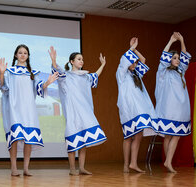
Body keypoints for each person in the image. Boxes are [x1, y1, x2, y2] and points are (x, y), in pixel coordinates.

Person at [0, 44, 58, 176]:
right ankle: (13, 167)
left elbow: (39, 88)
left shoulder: (33, 74)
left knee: (28, 139)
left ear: (28, 56)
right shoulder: (10, 71)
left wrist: (47, 83)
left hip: (28, 109)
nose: (23, 55)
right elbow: (3, 88)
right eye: (20, 52)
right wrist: (2, 73)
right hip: (14, 109)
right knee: (14, 138)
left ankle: (26, 168)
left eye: (25, 53)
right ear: (15, 55)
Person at [49, 46, 107, 175]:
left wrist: (103, 64)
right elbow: (57, 70)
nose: (81, 61)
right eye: (79, 59)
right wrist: (53, 60)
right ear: (71, 62)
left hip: (85, 113)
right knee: (73, 138)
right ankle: (72, 169)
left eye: (82, 59)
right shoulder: (66, 76)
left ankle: (81, 167)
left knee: (84, 140)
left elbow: (96, 75)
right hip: (73, 113)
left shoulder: (86, 77)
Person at [116, 37, 157, 173]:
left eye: (135, 62)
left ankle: (133, 163)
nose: (135, 63)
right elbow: (124, 60)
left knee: (139, 135)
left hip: (140, 109)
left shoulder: (136, 74)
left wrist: (135, 48)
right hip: (128, 110)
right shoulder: (121, 74)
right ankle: (126, 164)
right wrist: (131, 48)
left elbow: (144, 60)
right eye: (132, 61)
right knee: (128, 137)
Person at [155, 32, 192, 173]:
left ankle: (167, 162)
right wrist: (170, 41)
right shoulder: (163, 72)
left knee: (175, 135)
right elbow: (163, 57)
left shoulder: (181, 72)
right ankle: (168, 162)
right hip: (169, 110)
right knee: (169, 135)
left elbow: (185, 57)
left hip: (181, 110)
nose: (177, 60)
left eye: (178, 58)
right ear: (169, 60)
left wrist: (182, 40)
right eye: (174, 58)